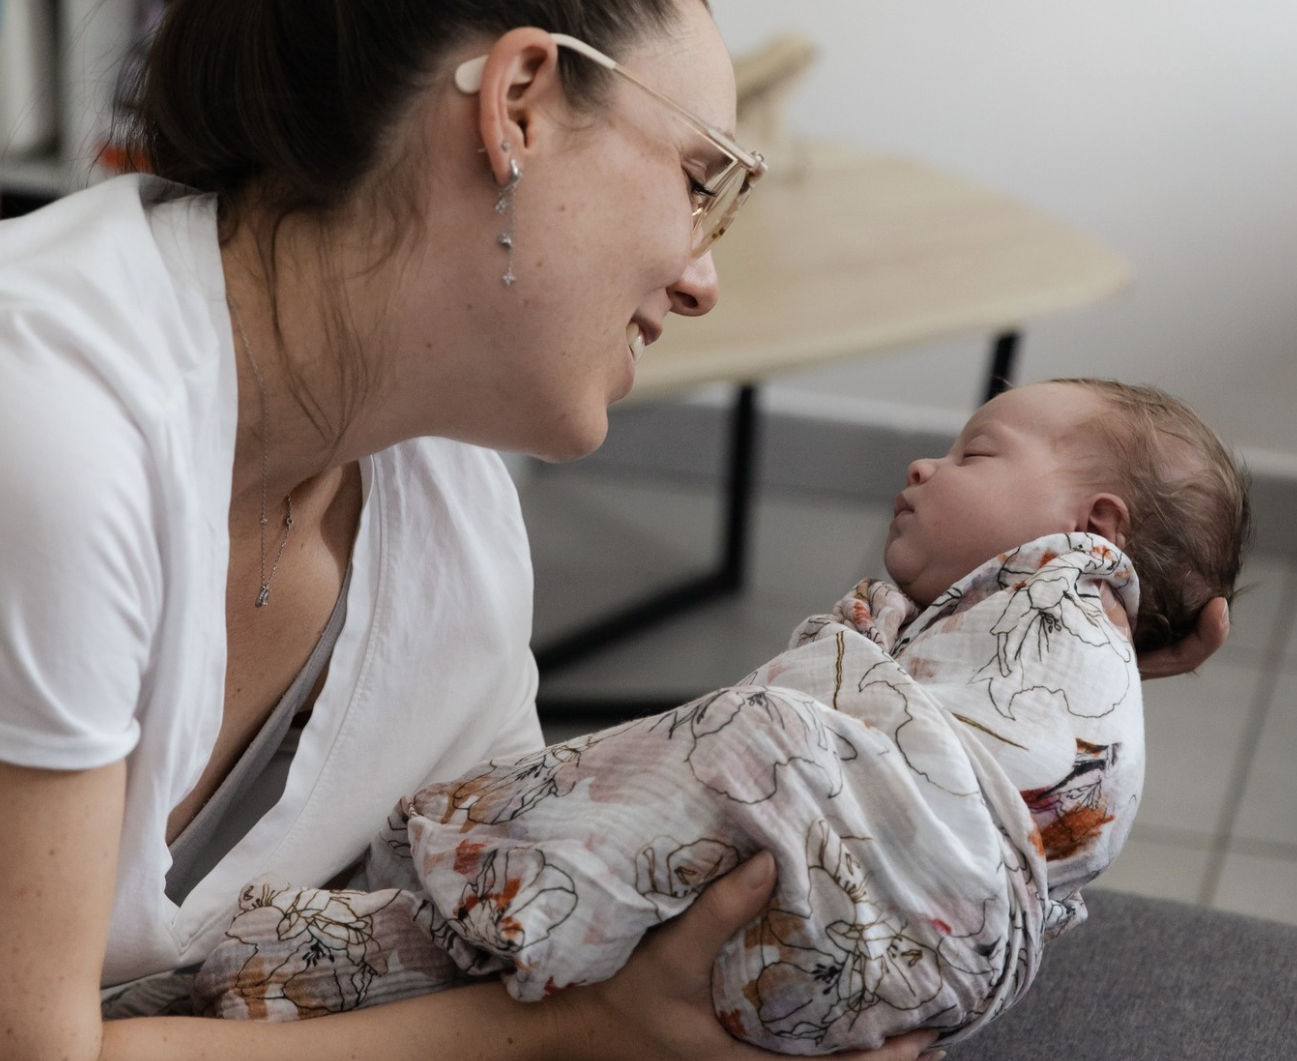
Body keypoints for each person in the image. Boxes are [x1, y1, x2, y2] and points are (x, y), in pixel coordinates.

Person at [0, 0, 1229, 1060]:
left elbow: (493, 913)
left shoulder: (444, 499)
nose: (703, 275)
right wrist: (584, 1031)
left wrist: (1032, 660)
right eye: (701, 179)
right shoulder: (55, 420)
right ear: (518, 102)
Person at [188, 379, 1250, 1053]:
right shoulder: (1069, 661)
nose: (924, 465)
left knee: (744, 749)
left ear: (1092, 525)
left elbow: (903, 742)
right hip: (920, 960)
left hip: (910, 868)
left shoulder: (1069, 583)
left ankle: (437, 877)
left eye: (976, 454)